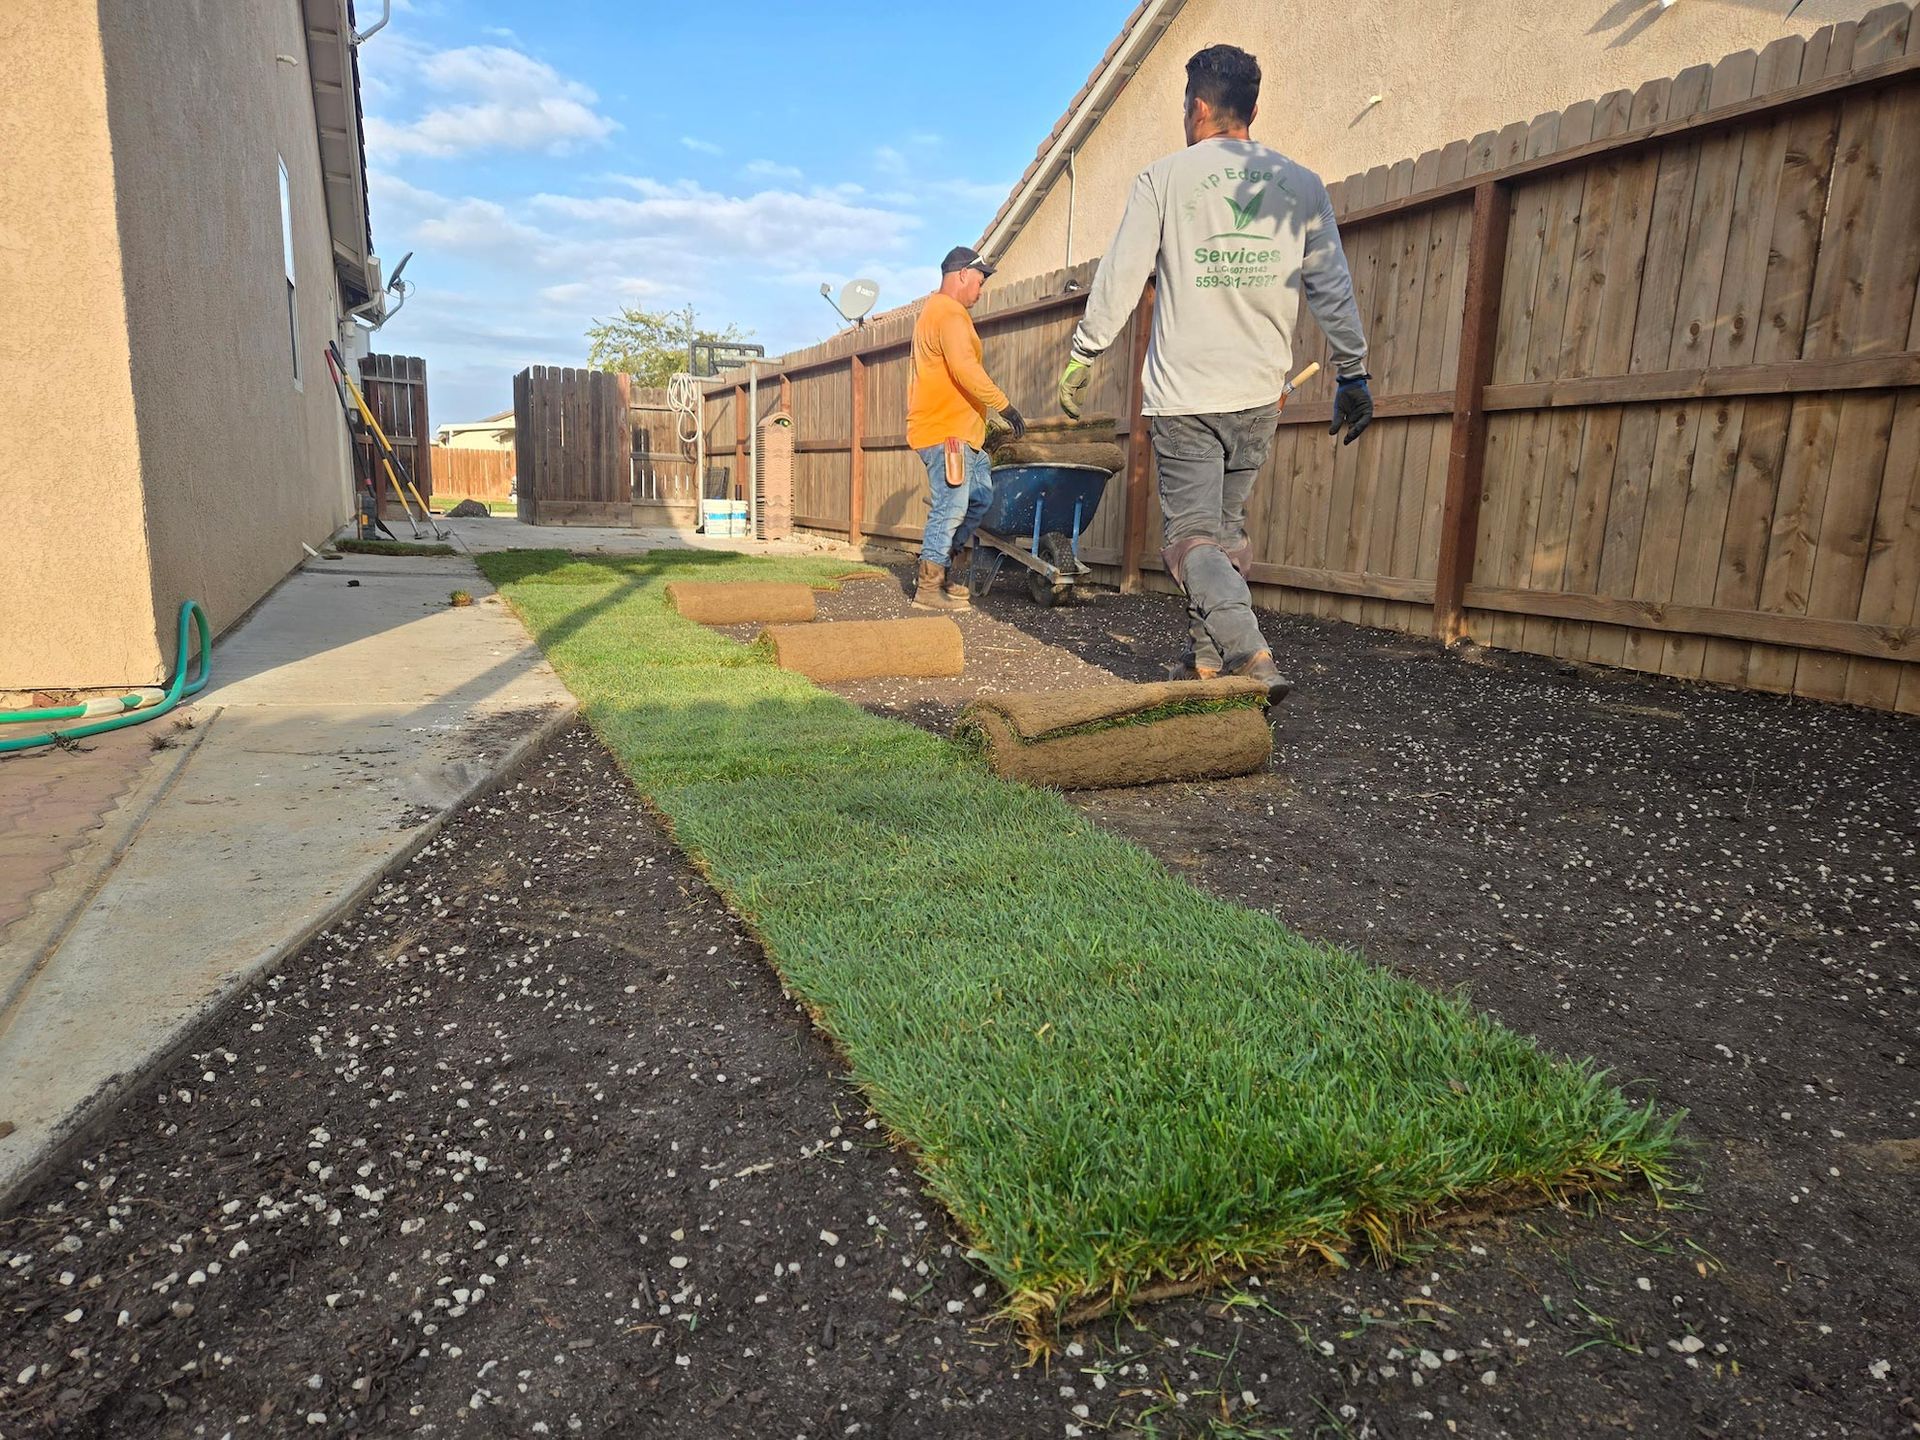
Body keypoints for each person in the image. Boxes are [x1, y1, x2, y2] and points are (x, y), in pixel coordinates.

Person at [1057, 43, 1372, 695]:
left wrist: (1085, 352)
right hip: (1259, 396)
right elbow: (1332, 288)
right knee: (1220, 542)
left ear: (1198, 107)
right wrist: (1353, 373)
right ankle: (1204, 665)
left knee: (1193, 541)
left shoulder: (1164, 179)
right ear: (1250, 108)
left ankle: (1249, 653)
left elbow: (1119, 277)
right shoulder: (1301, 185)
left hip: (1187, 397)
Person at [905, 246, 1025, 611]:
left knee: (979, 499)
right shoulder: (949, 313)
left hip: (964, 434)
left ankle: (940, 566)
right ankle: (928, 588)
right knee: (952, 504)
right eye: (980, 279)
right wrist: (1003, 405)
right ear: (961, 275)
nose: (981, 287)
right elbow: (964, 369)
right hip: (946, 433)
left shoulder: (939, 312)